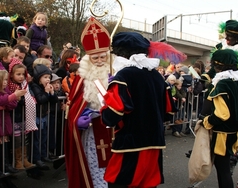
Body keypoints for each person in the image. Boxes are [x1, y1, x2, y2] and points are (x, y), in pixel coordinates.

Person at [100, 31, 176, 188]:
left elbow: (112, 116)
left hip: (129, 146)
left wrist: (105, 105)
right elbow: (168, 112)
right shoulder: (157, 77)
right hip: (154, 144)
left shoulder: (123, 76)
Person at [200, 49, 238, 188]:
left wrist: (206, 122)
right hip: (236, 131)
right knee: (224, 169)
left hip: (222, 133)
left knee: (223, 171)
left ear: (219, 65)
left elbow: (222, 114)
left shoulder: (222, 83)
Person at [64, 17, 113, 188]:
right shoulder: (82, 78)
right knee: (93, 170)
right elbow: (73, 107)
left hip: (113, 130)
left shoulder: (117, 74)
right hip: (92, 132)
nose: (99, 61)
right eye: (95, 58)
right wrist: (78, 119)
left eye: (102, 57)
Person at [202, 20, 238, 136]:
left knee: (231, 125)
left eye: (231, 36)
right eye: (226, 35)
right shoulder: (220, 46)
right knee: (210, 119)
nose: (227, 38)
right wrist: (205, 77)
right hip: (217, 88)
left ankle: (231, 151)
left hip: (236, 90)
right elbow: (215, 67)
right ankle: (207, 145)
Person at [7, 58, 37, 169]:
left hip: (24, 117)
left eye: (23, 74)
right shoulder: (10, 87)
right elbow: (13, 101)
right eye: (18, 74)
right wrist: (19, 98)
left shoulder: (25, 86)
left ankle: (25, 159)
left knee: (25, 139)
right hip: (14, 117)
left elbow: (31, 97)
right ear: (11, 75)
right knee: (17, 140)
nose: (21, 77)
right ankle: (18, 161)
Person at [30, 64, 58, 170]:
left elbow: (54, 101)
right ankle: (37, 158)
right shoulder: (35, 86)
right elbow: (40, 99)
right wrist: (46, 92)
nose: (47, 80)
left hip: (44, 116)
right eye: (45, 77)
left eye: (49, 78)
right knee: (37, 139)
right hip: (37, 117)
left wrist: (51, 93)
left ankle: (43, 155)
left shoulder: (45, 87)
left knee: (44, 137)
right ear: (39, 78)